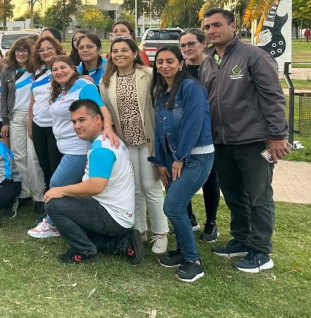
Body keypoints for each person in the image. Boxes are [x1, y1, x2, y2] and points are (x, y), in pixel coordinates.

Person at [200, 8, 288, 273]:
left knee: (259, 196)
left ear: (233, 26)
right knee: (234, 195)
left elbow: (273, 97)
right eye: (207, 27)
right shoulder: (208, 61)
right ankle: (241, 239)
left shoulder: (254, 56)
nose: (212, 31)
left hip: (254, 141)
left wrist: (276, 136)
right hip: (222, 143)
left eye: (217, 25)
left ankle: (261, 252)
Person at [43, 99, 144, 265]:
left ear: (98, 119)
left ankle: (84, 251)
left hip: (112, 216)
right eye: (74, 121)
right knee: (72, 227)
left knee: (53, 204)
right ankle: (123, 243)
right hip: (117, 214)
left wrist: (61, 190)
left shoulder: (101, 148)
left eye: (82, 120)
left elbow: (96, 186)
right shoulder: (107, 141)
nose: (77, 126)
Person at [28, 56, 118, 239]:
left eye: (63, 67)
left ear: (73, 68)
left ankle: (51, 223)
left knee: (57, 184)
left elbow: (102, 109)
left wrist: (107, 129)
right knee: (70, 187)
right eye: (55, 69)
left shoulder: (83, 86)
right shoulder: (62, 89)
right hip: (66, 147)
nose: (59, 72)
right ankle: (66, 220)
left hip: (78, 148)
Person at [98, 38, 169, 254]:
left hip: (148, 140)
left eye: (124, 50)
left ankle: (161, 233)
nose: (120, 54)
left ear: (134, 53)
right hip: (125, 142)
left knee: (151, 186)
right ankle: (139, 231)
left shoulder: (147, 74)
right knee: (134, 188)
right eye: (115, 51)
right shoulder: (106, 81)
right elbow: (106, 110)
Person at [151, 45, 214, 283]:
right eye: (159, 62)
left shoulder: (191, 88)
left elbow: (193, 124)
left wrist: (180, 157)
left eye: (169, 61)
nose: (164, 66)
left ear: (181, 64)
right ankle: (181, 251)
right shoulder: (161, 92)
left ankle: (193, 261)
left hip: (197, 157)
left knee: (173, 206)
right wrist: (162, 161)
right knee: (179, 206)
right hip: (172, 158)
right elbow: (160, 131)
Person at [180, 27, 220, 241]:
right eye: (183, 45)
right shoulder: (180, 68)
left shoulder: (214, 67)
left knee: (209, 178)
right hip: (183, 132)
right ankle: (189, 218)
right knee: (181, 175)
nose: (186, 48)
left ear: (203, 44)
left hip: (209, 131)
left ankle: (211, 223)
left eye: (191, 44)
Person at [28, 36, 65, 208]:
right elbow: (33, 100)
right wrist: (30, 125)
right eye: (41, 50)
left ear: (56, 48)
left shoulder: (63, 69)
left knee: (55, 167)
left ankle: (56, 204)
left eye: (49, 48)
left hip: (55, 127)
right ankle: (49, 201)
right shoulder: (38, 71)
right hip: (38, 125)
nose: (45, 52)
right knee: (44, 166)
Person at [0, 37, 34, 206]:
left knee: (33, 156)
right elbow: (4, 98)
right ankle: (25, 192)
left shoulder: (38, 70)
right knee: (19, 155)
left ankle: (39, 192)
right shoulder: (7, 71)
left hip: (35, 116)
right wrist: (5, 121)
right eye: (18, 50)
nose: (21, 53)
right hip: (16, 116)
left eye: (25, 50)